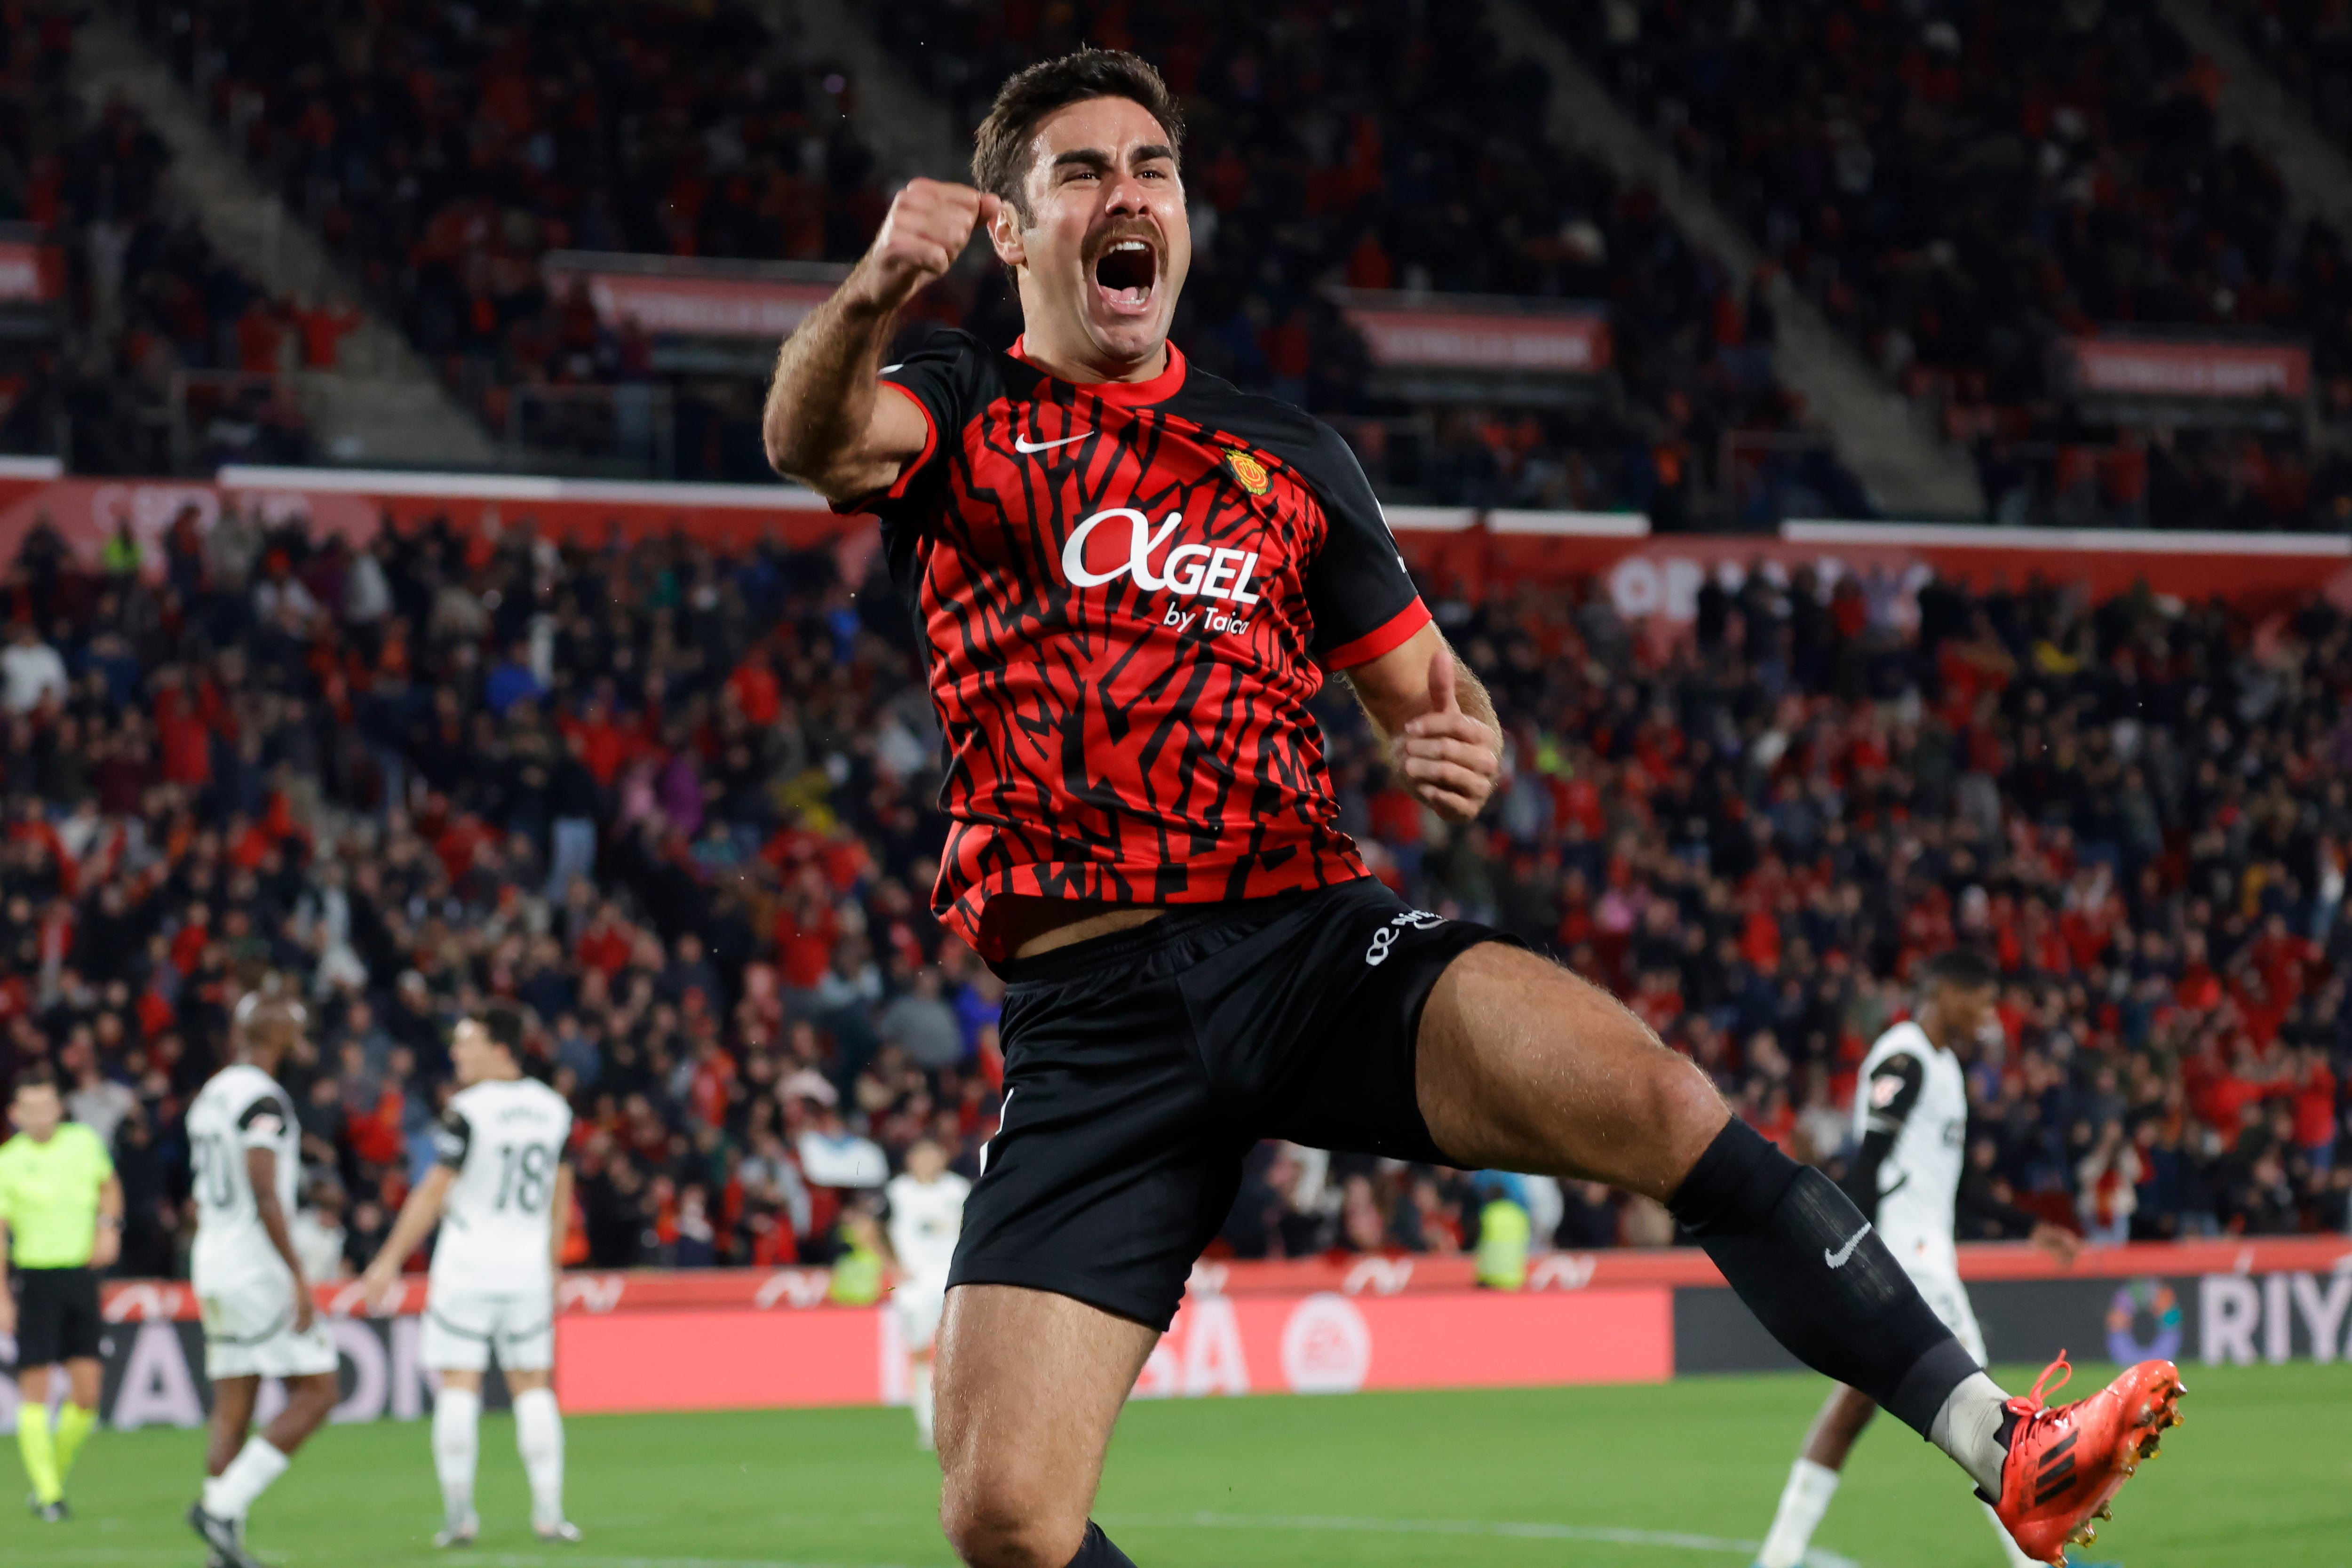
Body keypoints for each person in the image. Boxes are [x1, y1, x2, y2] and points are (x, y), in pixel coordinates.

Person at [762, 48, 2182, 1568]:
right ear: (1012, 228)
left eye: (1151, 168)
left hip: (1306, 945)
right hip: (1086, 1014)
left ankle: (2003, 1446)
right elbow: (811, 440)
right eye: (1081, 172)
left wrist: (1464, 745)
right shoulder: (966, 403)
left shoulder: (1289, 458)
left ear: (1181, 210)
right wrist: (866, 296)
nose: (1127, 195)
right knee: (1002, 1522)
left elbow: (1438, 696)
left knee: (1658, 1101)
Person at [1753, 949, 2086, 1568]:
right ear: (1944, 994)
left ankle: (1778, 1556)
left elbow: (1954, 1182)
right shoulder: (1902, 1057)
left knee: (1857, 1407)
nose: (1989, 1016)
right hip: (1911, 1261)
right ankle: (2036, 1563)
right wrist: (1837, 1254)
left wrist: (2030, 1225)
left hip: (1918, 1256)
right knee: (1985, 1415)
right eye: (1981, 1001)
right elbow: (1870, 1165)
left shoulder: (1945, 1069)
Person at [359, 1002, 579, 1546]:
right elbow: (561, 1191)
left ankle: (460, 1516)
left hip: (467, 1265)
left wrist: (388, 1259)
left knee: (460, 1384)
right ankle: (550, 1514)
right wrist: (553, 1261)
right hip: (526, 1267)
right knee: (532, 1387)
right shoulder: (554, 1109)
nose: (457, 1053)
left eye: (467, 1042)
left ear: (500, 1049)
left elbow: (433, 1190)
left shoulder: (468, 1110)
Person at [184, 991, 343, 1568]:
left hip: (213, 1259)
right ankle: (222, 1507)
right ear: (276, 1031)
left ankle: (221, 1550)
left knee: (233, 1405)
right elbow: (263, 1187)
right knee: (320, 1390)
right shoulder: (262, 1098)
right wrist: (299, 1275)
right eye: (297, 1023)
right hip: (254, 1265)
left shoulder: (211, 1093)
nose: (303, 1033)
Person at [0, 1070, 122, 1522]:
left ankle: (51, 1475)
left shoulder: (82, 1143)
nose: (40, 1115)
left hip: (80, 1277)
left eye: (47, 1105)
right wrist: (2, 1296)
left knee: (87, 1394)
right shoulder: (8, 1162)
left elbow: (109, 1186)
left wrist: (108, 1229)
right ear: (16, 1115)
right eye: (29, 1108)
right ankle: (49, 1494)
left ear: (59, 1108)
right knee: (36, 1387)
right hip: (34, 1279)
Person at [883, 1138, 971, 1449]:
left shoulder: (958, 1190)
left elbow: (973, 1226)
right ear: (911, 1160)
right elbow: (868, 1226)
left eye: (933, 1155)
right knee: (921, 1352)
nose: (927, 1162)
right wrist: (891, 1264)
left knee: (956, 1351)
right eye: (921, 1156)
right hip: (915, 1283)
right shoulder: (897, 1192)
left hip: (951, 1278)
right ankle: (927, 1423)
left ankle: (957, 1422)